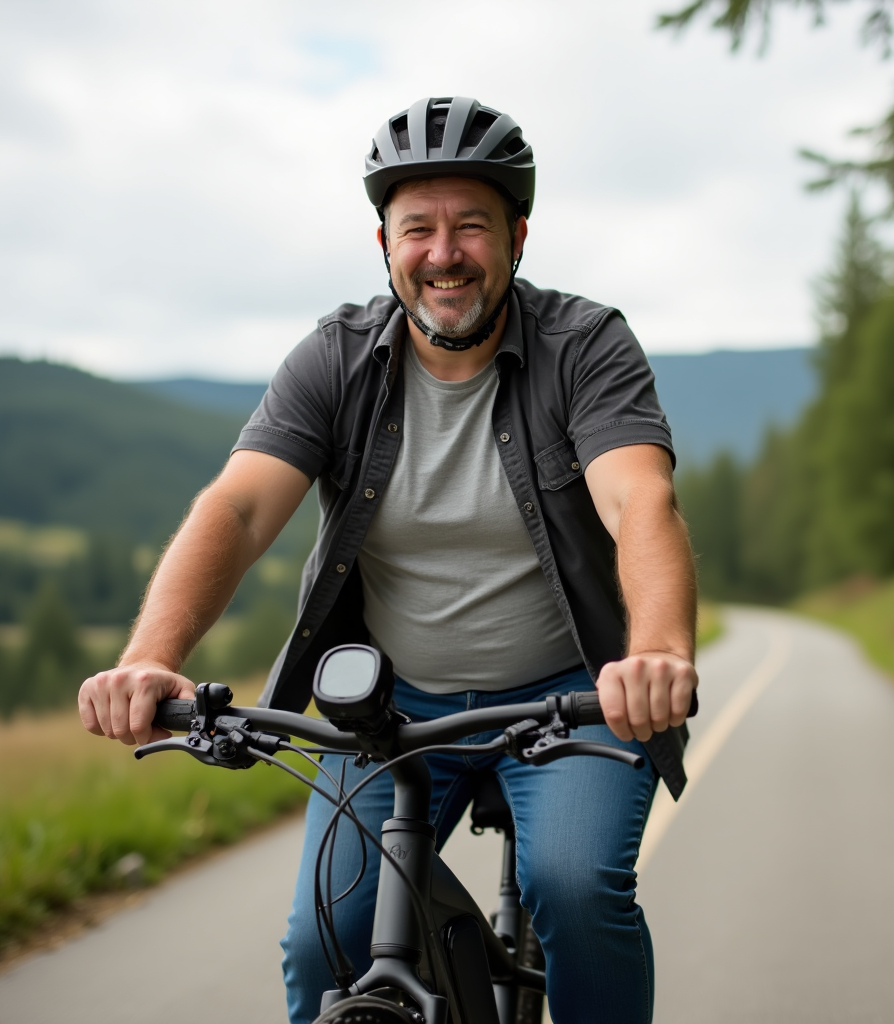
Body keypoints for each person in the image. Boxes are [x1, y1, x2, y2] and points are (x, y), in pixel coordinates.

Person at [78, 96, 699, 1024]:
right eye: (419, 229)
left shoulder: (584, 345)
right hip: (393, 707)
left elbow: (637, 498)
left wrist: (655, 651)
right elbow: (241, 509)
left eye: (471, 227)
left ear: (517, 237)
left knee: (574, 890)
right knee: (323, 939)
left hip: (570, 698)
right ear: (385, 245)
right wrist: (148, 658)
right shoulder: (337, 357)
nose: (443, 252)